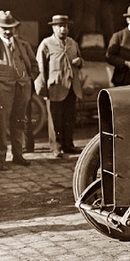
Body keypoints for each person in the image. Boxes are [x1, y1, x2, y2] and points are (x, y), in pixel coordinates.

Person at [0, 10, 40, 170]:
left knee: (19, 122)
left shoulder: (23, 45)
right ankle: (0, 158)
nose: (8, 31)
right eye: (4, 28)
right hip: (1, 90)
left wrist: (29, 79)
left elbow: (34, 65)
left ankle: (18, 155)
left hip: (22, 88)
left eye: (10, 28)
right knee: (0, 125)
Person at [35, 15, 84, 158]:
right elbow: (40, 67)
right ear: (53, 28)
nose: (63, 29)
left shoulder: (73, 43)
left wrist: (79, 61)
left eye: (66, 26)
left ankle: (68, 145)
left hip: (71, 87)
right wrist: (43, 88)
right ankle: (56, 147)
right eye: (60, 26)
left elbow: (81, 61)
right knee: (55, 119)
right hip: (55, 87)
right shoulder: (46, 44)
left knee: (69, 117)